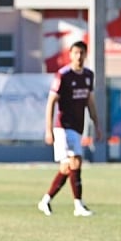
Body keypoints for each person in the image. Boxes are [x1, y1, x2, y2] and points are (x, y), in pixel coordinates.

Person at [37, 40, 102, 217]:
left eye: (82, 53)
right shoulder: (63, 75)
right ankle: (78, 205)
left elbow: (90, 101)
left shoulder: (88, 75)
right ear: (70, 54)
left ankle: (45, 200)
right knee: (76, 160)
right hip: (63, 127)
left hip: (78, 127)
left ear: (86, 54)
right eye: (76, 53)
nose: (79, 56)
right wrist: (49, 129)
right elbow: (51, 102)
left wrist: (97, 124)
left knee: (67, 168)